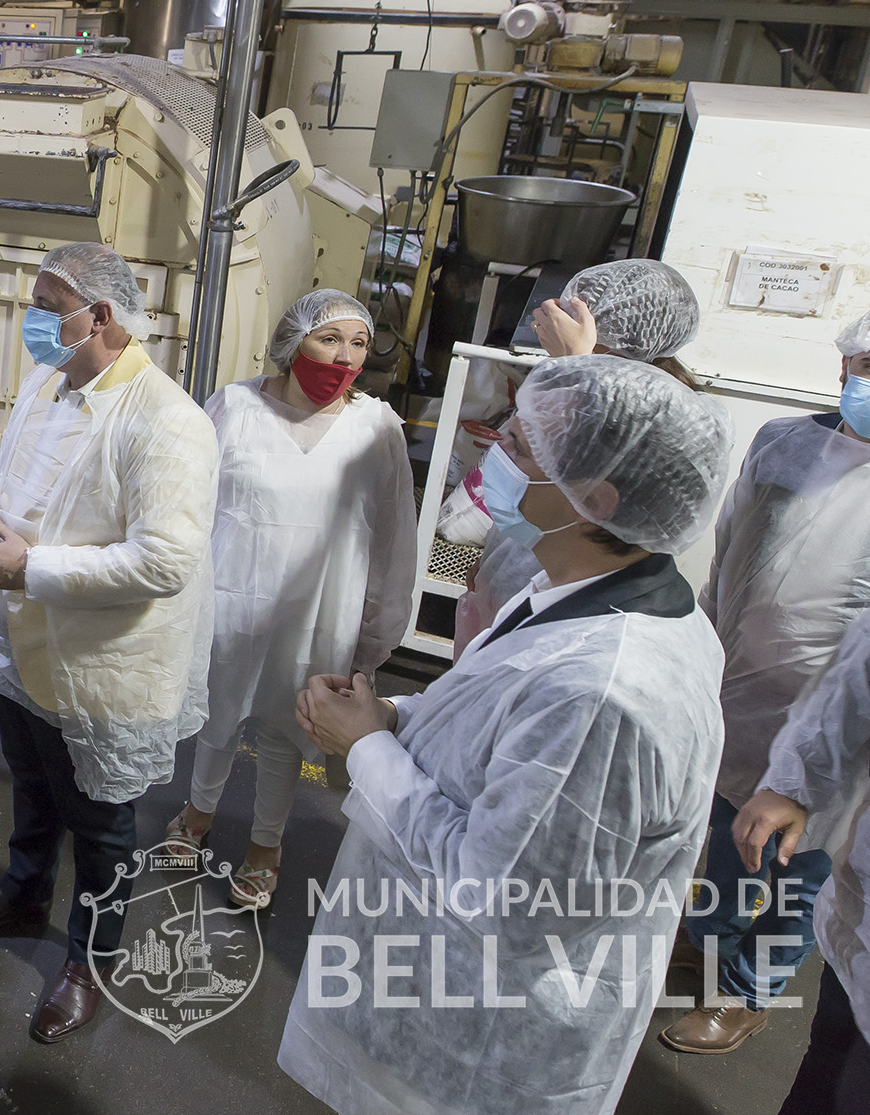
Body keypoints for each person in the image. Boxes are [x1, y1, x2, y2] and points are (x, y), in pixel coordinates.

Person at [281, 355, 734, 1115]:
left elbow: (504, 901)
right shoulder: (573, 592)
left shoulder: (603, 695)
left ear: (593, 499)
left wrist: (364, 748)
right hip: (432, 983)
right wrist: (393, 717)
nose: (492, 453)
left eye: (519, 446)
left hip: (479, 1038)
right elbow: (494, 719)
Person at [0, 242, 218, 1045]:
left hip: (98, 663)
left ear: (101, 315)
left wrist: (29, 568)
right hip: (22, 643)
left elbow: (162, 562)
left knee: (99, 824)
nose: (31, 320)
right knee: (30, 784)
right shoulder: (46, 383)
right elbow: (10, 480)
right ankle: (23, 895)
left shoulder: (166, 421)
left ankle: (91, 961)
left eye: (46, 306)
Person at [663, 309, 870, 1053]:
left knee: (804, 867)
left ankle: (749, 991)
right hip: (742, 685)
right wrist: (700, 652)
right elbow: (727, 553)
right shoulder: (784, 443)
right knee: (728, 835)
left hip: (840, 723)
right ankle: (704, 941)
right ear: (843, 366)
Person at [173, 290, 415, 910]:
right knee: (218, 714)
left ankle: (265, 846)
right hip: (234, 597)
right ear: (292, 342)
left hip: (320, 612)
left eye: (358, 343)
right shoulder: (234, 408)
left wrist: (375, 632)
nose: (345, 357)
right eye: (329, 339)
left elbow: (393, 538)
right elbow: (191, 505)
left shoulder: (376, 428)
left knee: (290, 727)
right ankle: (197, 814)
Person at [456, 258, 704, 651]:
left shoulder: (652, 417)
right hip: (519, 579)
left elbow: (578, 493)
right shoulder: (575, 384)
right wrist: (494, 560)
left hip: (561, 598)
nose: (559, 317)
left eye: (577, 311)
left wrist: (577, 364)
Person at [734, 610, 870, 1114]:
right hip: (860, 910)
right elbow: (856, 675)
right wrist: (792, 783)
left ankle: (749, 992)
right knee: (828, 1055)